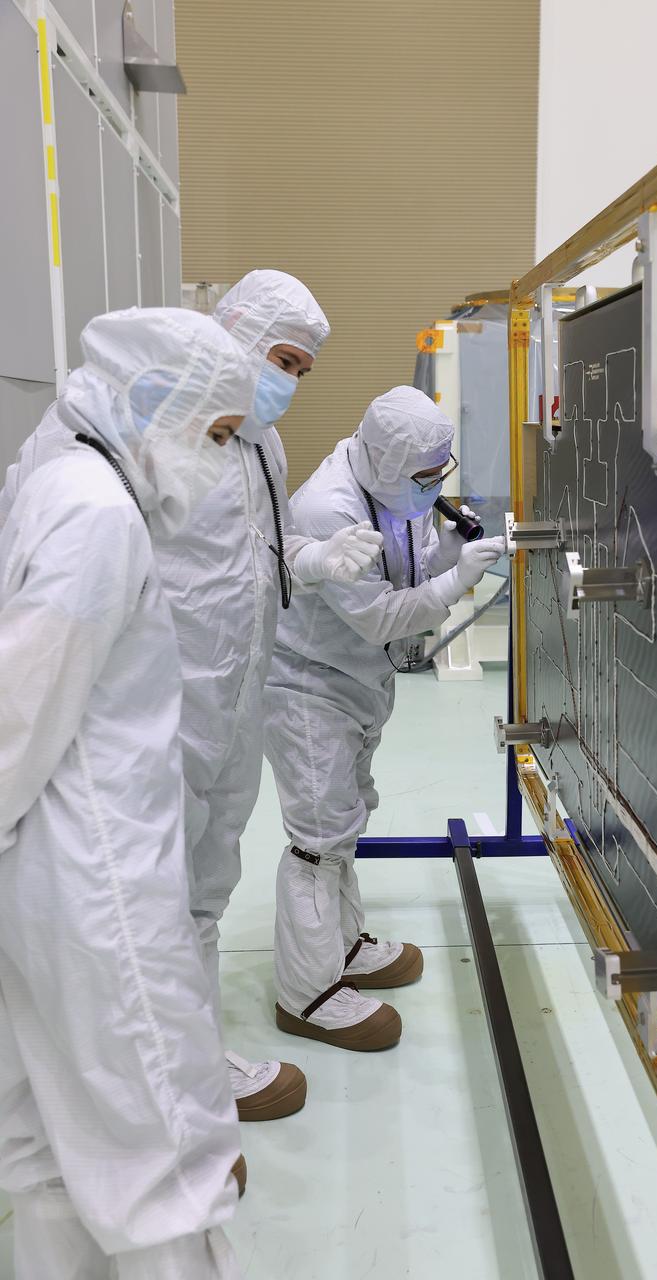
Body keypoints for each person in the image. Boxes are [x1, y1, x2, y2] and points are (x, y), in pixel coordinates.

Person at [0, 271, 384, 1121]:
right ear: (238, 336)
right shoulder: (123, 452)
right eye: (283, 360)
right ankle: (168, 1073)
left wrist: (314, 564)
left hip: (235, 690)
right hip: (155, 703)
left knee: (206, 878)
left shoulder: (253, 443)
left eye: (300, 371)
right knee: (148, 891)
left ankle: (191, 1050)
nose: (287, 384)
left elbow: (254, 555)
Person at [0, 307, 256, 1280]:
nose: (219, 460)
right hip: (95, 887)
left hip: (44, 874)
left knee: (47, 1150)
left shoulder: (56, 473)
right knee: (161, 1163)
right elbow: (17, 717)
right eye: (219, 434)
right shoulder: (99, 516)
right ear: (157, 400)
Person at [264, 385, 506, 1050]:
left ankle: (339, 949)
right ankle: (306, 995)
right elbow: (378, 617)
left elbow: (407, 564)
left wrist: (447, 556)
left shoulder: (396, 486)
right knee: (317, 836)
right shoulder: (327, 507)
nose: (434, 488)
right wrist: (454, 585)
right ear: (389, 463)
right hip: (306, 684)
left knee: (344, 819)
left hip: (351, 681)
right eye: (426, 478)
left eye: (441, 474)